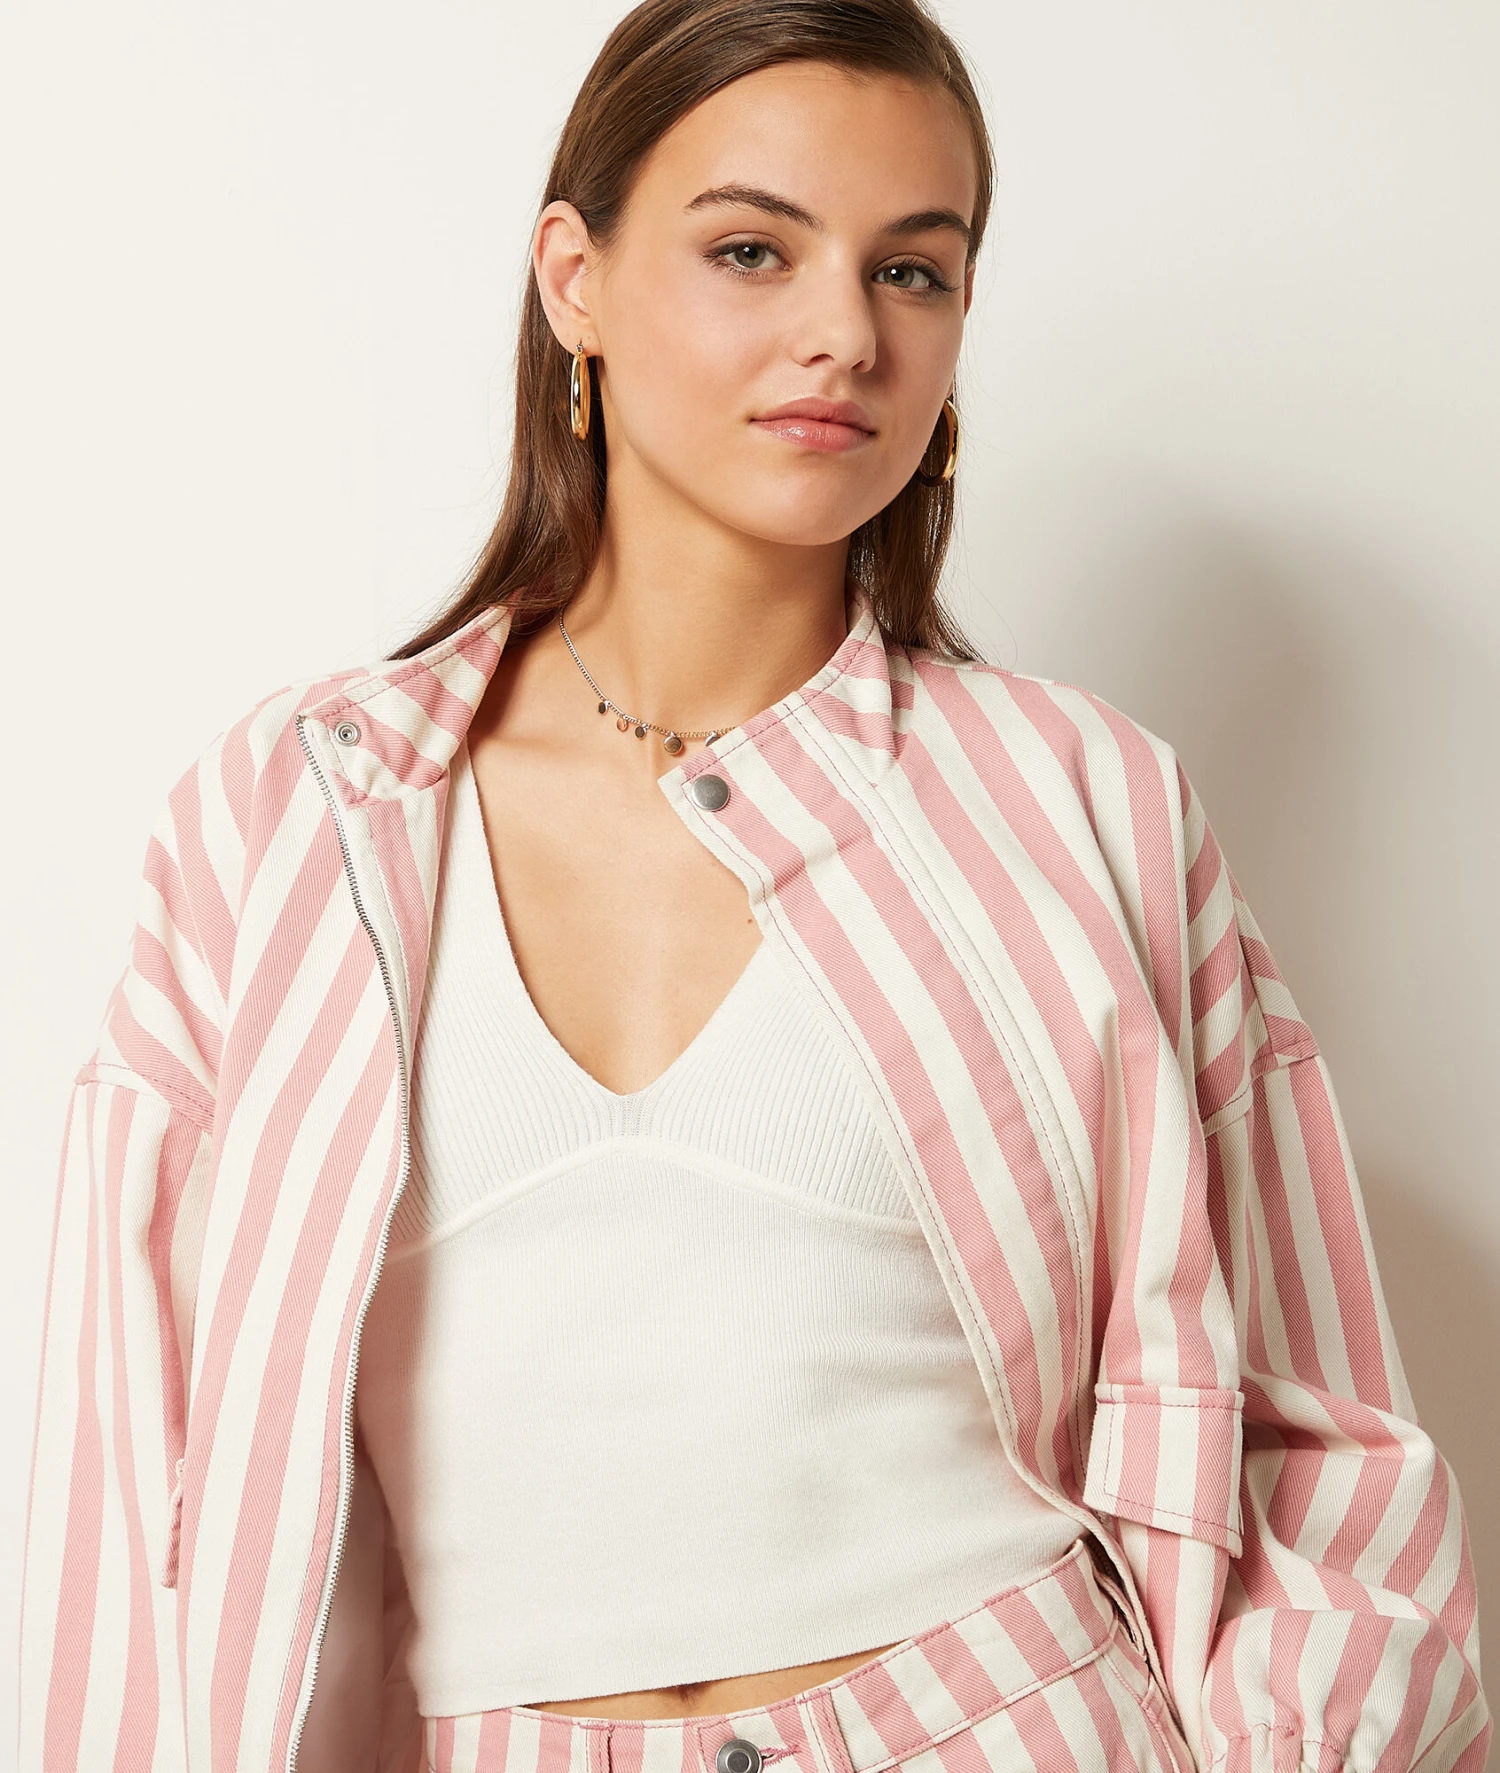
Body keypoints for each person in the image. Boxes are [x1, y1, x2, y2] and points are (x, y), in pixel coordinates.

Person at [17, 2, 1491, 1771]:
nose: (845, 334)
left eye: (913, 271)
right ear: (574, 278)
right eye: (750, 249)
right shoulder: (294, 821)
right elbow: (135, 1480)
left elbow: (1318, 1447)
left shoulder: (1085, 798)